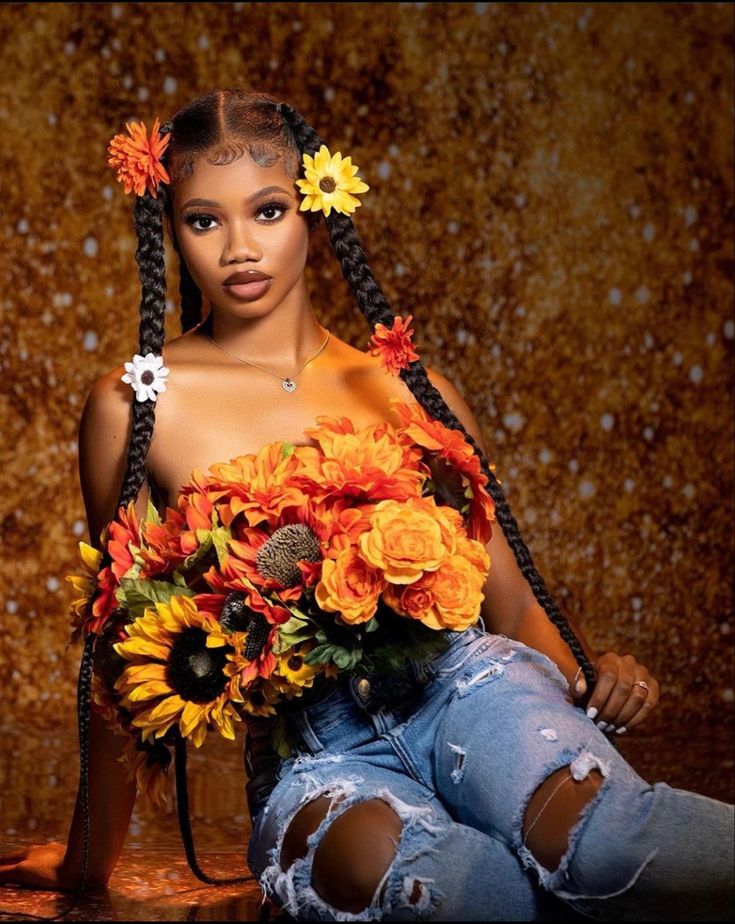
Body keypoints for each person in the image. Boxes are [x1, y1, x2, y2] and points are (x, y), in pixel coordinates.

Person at [0, 88, 732, 922]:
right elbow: (120, 653)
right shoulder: (136, 404)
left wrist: (595, 674)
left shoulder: (406, 387)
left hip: (470, 693)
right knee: (460, 894)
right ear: (169, 228)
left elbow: (511, 604)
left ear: (313, 209)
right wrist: (87, 868)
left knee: (607, 850)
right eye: (204, 221)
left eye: (267, 210)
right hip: (314, 759)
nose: (240, 248)